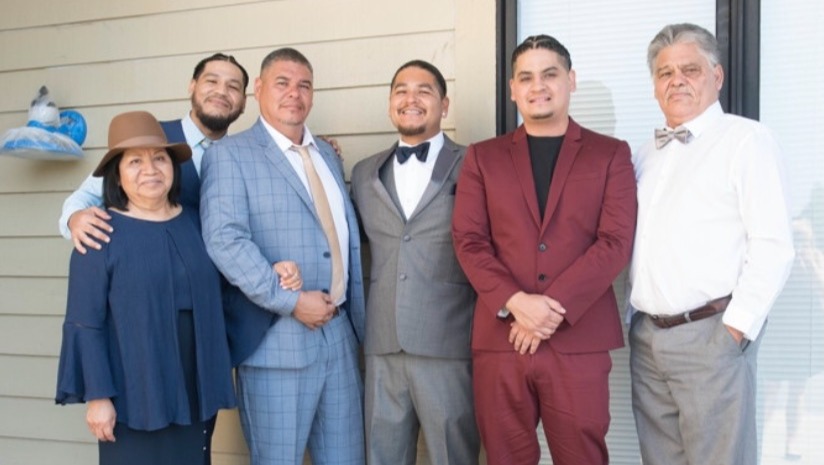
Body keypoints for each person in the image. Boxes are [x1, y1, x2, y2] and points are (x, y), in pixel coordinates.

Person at [451, 35, 637, 465]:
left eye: (550, 74)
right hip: (502, 339)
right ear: (513, 89)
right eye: (526, 77)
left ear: (571, 80)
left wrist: (548, 310)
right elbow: (469, 240)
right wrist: (517, 302)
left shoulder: (610, 154)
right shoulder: (483, 158)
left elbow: (615, 242)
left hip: (578, 339)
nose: (538, 86)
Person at [627, 23, 795, 465]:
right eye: (665, 73)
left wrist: (735, 331)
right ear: (654, 86)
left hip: (711, 335)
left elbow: (773, 245)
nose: (677, 81)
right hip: (647, 340)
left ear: (716, 77)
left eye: (691, 69)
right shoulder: (645, 154)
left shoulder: (747, 141)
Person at [200, 47, 366, 465]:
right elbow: (224, 239)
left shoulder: (326, 154)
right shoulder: (229, 154)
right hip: (277, 342)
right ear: (258, 89)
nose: (295, 93)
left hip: (340, 337)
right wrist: (290, 300)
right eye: (282, 83)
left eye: (304, 85)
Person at [54, 111, 238, 465]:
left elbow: (230, 277)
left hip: (194, 385)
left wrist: (279, 271)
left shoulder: (197, 223)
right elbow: (85, 324)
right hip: (132, 390)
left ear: (173, 167)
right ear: (117, 176)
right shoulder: (98, 233)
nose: (150, 169)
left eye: (159, 158)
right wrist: (98, 397)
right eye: (135, 161)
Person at [350, 60, 480, 465]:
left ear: (444, 104)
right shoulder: (363, 173)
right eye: (401, 90)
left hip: (448, 343)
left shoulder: (475, 164)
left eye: (424, 90)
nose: (411, 99)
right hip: (382, 343)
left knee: (453, 456)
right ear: (390, 102)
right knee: (382, 456)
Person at [58, 53, 249, 253]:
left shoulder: (244, 159)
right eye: (211, 81)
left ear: (244, 102)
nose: (221, 92)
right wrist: (74, 218)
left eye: (233, 87)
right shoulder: (149, 139)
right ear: (192, 86)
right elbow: (86, 195)